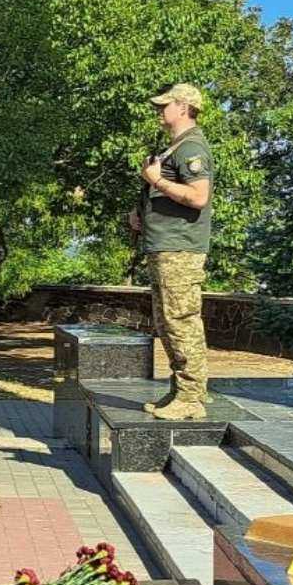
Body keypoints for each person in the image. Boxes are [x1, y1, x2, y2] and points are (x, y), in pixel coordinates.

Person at [128, 82, 215, 421]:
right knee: (167, 322)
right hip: (164, 246)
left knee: (181, 321)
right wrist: (140, 215)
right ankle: (181, 391)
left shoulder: (192, 148)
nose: (159, 110)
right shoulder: (174, 148)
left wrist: (156, 181)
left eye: (165, 105)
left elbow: (198, 197)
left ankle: (192, 396)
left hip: (180, 249)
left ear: (183, 107)